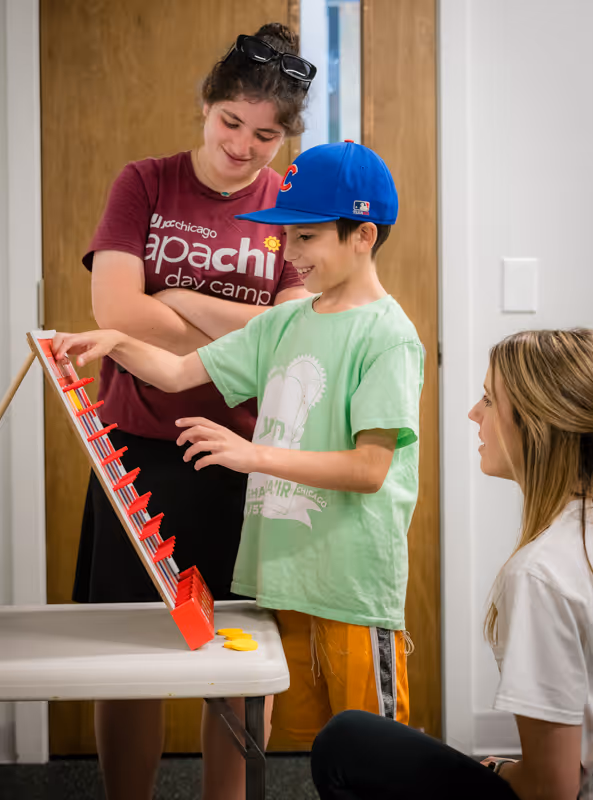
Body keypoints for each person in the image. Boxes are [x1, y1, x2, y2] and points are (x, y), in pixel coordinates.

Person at [53, 140, 424, 788]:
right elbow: (175, 369)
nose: (291, 255)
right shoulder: (285, 325)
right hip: (281, 576)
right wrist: (116, 340)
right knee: (315, 751)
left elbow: (370, 469)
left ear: (362, 235)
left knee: (374, 754)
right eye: (285, 238)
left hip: (350, 582)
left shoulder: (387, 335)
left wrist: (252, 455)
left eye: (305, 238)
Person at [74, 22, 314, 800]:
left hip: (246, 454)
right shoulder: (143, 183)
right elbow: (113, 308)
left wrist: (173, 296)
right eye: (230, 122)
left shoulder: (290, 203)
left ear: (286, 138)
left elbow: (294, 335)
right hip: (134, 453)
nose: (243, 146)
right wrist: (235, 319)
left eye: (266, 134)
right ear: (206, 106)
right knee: (128, 654)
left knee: (240, 655)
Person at [310, 329, 593, 800]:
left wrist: (498, 769)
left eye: (488, 399)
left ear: (537, 421)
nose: (473, 413)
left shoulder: (541, 572)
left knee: (347, 741)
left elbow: (552, 789)